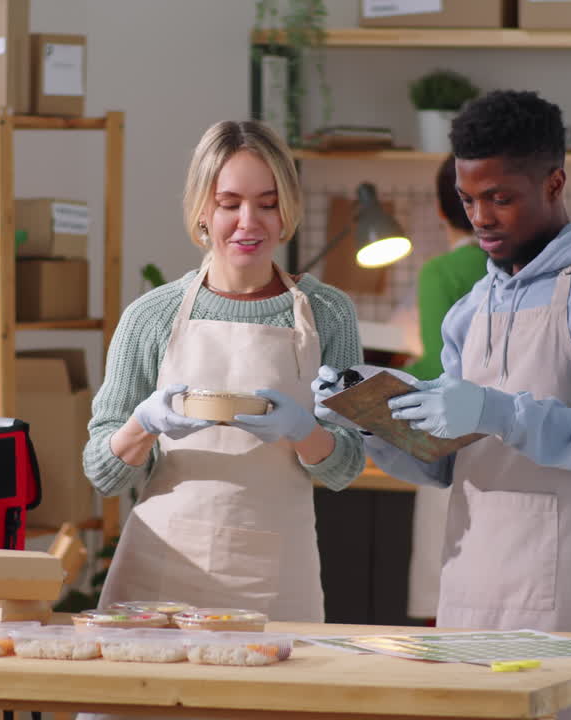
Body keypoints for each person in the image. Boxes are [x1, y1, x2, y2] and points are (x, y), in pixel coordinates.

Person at [314, 90, 571, 720]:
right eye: (468, 199)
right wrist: (368, 421)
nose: (481, 218)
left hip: (564, 582)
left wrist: (500, 413)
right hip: (469, 579)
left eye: (500, 198)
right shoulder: (471, 308)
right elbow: (446, 463)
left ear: (554, 183)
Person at [83, 119, 366, 624]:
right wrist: (144, 424)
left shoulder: (329, 314)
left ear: (287, 210)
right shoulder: (151, 316)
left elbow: (347, 466)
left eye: (267, 203)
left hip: (274, 577)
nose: (248, 222)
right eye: (229, 203)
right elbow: (102, 472)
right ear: (202, 210)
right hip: (159, 572)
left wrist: (302, 430)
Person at [402, 154, 489, 624]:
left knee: (444, 611)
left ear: (440, 209)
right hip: (513, 447)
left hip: (449, 448)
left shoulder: (441, 273)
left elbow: (438, 367)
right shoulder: (521, 265)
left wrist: (398, 372)